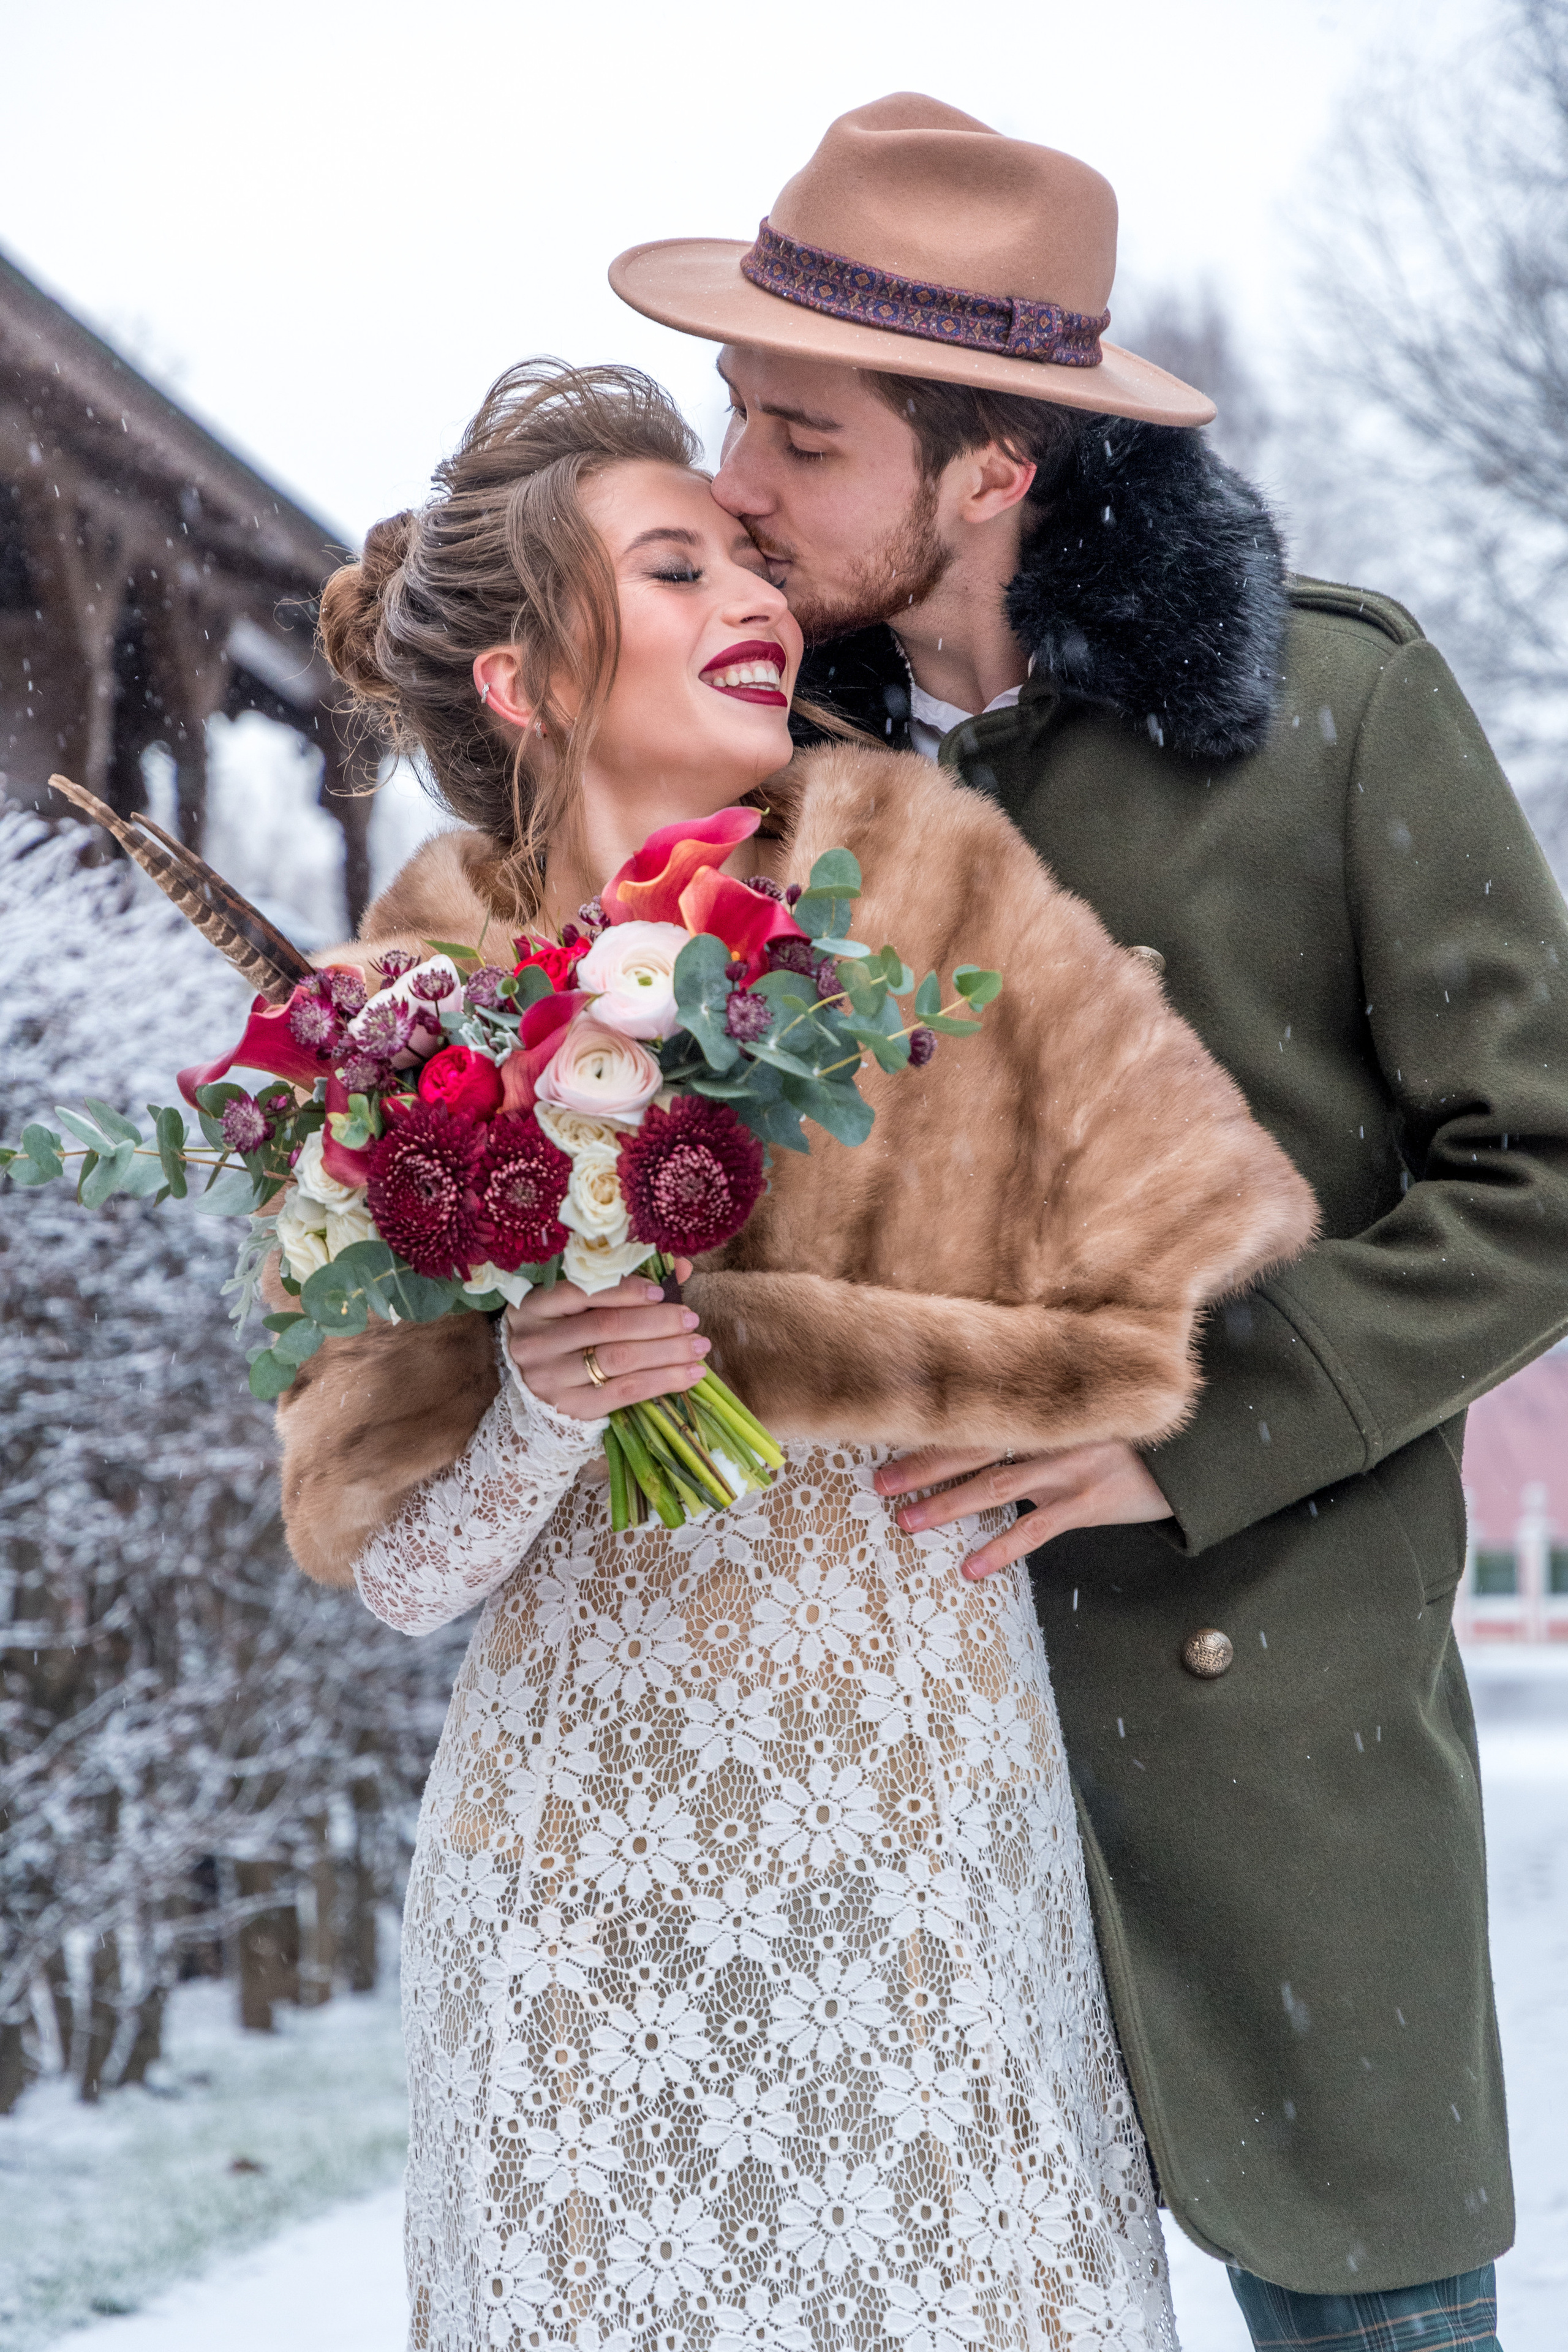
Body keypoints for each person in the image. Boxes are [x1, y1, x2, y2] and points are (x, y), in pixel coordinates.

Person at [608, 89, 1568, 2352]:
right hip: (861, 1771)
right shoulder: (742, 786)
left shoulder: (1332, 717)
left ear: (995, 470)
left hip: (1263, 1748)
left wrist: (1197, 1413)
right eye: (738, 411)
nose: (736, 477)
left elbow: (1545, 1164)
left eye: (803, 434)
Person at [277, 359, 1314, 2351]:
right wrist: (539, 1406)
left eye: (754, 559)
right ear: (529, 683)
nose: (756, 599)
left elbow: (1184, 1258)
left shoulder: (927, 884)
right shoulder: (390, 1009)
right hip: (586, 1872)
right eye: (678, 569)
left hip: (927, 1837)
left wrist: (846, 1359)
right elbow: (398, 1571)